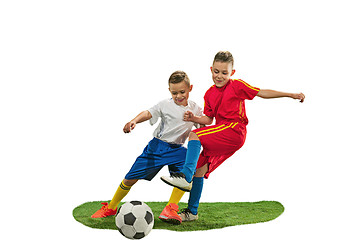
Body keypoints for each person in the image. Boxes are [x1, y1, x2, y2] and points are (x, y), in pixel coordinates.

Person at [161, 51, 305, 221]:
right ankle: (192, 212)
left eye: (224, 73)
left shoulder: (237, 86)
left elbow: (261, 92)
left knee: (195, 134)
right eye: (216, 71)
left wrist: (290, 94)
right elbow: (208, 119)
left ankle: (185, 175)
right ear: (211, 70)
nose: (219, 76)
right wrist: (194, 118)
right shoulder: (209, 94)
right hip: (222, 133)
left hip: (234, 130)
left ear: (232, 73)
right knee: (199, 170)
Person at [91, 71, 203, 225]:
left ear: (190, 88)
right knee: (131, 177)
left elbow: (203, 126)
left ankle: (171, 208)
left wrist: (195, 119)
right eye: (174, 92)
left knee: (186, 174)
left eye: (182, 92)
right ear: (169, 91)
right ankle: (111, 206)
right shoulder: (165, 104)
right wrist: (134, 121)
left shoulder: (195, 108)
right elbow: (149, 113)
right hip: (158, 147)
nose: (178, 96)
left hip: (178, 150)